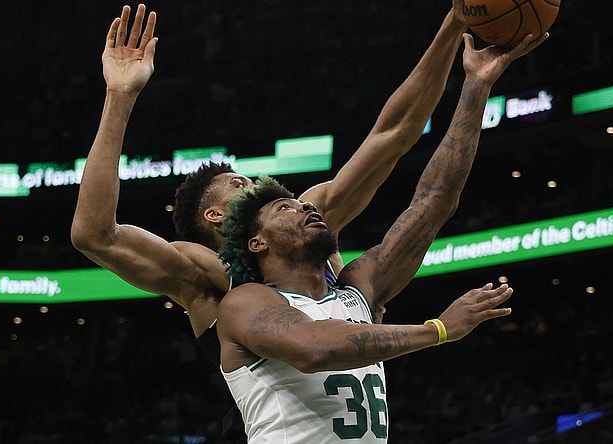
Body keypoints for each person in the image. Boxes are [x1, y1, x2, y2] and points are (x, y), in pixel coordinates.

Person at [72, 1, 475, 349]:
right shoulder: (202, 273)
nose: (259, 184)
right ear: (215, 217)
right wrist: (119, 96)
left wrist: (455, 23)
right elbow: (95, 236)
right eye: (239, 183)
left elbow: (394, 134)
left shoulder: (305, 220)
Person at [216, 31, 547, 442]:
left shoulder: (360, 289)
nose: (307, 207)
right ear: (257, 243)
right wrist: (438, 330)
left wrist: (476, 87)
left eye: (303, 204)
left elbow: (433, 201)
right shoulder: (246, 302)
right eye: (286, 208)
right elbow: (315, 348)